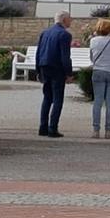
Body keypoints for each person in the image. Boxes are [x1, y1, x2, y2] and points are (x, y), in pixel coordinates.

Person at [35, 10, 73, 138]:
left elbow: (39, 52)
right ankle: (53, 128)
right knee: (57, 99)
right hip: (57, 69)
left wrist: (38, 70)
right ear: (63, 20)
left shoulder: (45, 33)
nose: (71, 21)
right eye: (69, 19)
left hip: (44, 66)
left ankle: (43, 127)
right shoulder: (64, 35)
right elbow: (65, 56)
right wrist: (69, 73)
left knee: (47, 97)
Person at [90, 18, 110, 139]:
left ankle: (95, 130)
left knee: (98, 101)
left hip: (98, 71)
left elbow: (92, 57)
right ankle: (108, 130)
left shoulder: (93, 41)